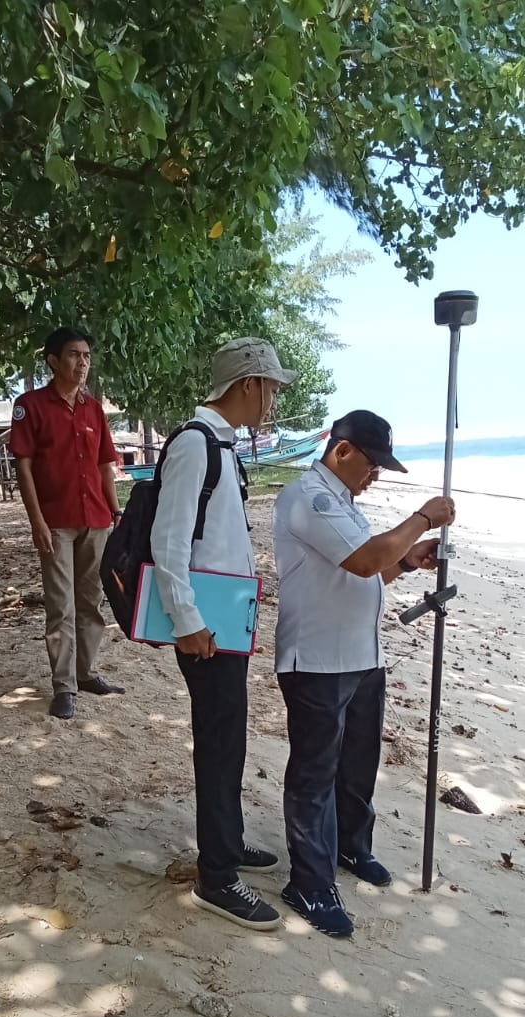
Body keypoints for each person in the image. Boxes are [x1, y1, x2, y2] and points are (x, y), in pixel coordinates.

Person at [272, 410, 456, 937]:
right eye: (372, 464)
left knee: (358, 764)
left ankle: (351, 846)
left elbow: (370, 571)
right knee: (315, 774)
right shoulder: (309, 498)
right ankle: (309, 882)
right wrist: (422, 518)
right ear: (342, 450)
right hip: (318, 661)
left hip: (362, 656)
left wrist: (407, 560)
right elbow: (363, 560)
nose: (375, 475)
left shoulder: (345, 503)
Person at [150, 337, 297, 931]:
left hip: (225, 620)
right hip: (205, 627)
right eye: (271, 387)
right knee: (217, 743)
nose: (273, 399)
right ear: (248, 384)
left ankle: (228, 841)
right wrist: (187, 622)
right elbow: (169, 540)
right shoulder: (195, 444)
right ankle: (217, 876)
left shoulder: (222, 445)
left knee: (229, 738)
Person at [10, 327, 125, 720]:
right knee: (61, 606)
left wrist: (115, 511)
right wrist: (36, 522)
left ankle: (86, 673)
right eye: (75, 355)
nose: (82, 363)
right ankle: (63, 686)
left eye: (87, 356)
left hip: (96, 519)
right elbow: (24, 467)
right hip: (56, 523)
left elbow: (105, 465)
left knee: (91, 602)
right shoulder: (30, 406)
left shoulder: (93, 410)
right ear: (53, 361)